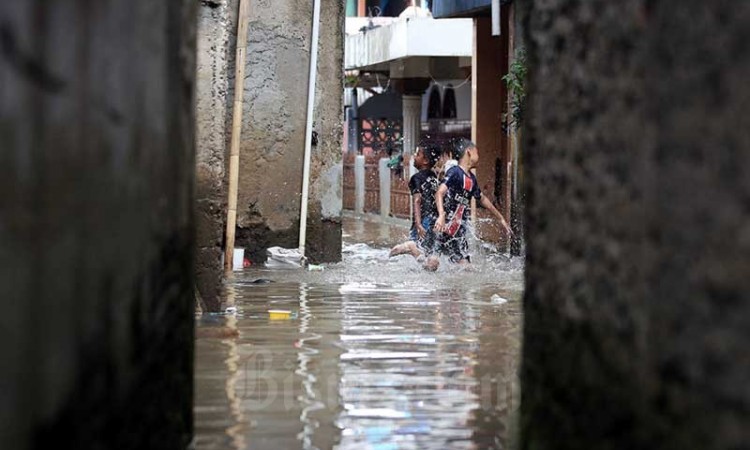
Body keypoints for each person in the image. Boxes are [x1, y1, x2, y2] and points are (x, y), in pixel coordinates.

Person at [425, 138, 512, 271]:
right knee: (432, 265)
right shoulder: (455, 172)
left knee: (467, 269)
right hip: (443, 227)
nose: (479, 155)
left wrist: (500, 218)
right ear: (469, 152)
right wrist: (441, 215)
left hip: (458, 232)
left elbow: (482, 199)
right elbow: (439, 193)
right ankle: (413, 251)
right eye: (477, 151)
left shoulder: (471, 179)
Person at [389, 142, 442, 259]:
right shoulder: (433, 176)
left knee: (420, 250)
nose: (414, 156)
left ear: (425, 161)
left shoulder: (416, 178)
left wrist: (418, 224)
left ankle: (410, 247)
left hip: (423, 220)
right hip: (433, 219)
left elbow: (417, 200)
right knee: (428, 252)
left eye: (418, 154)